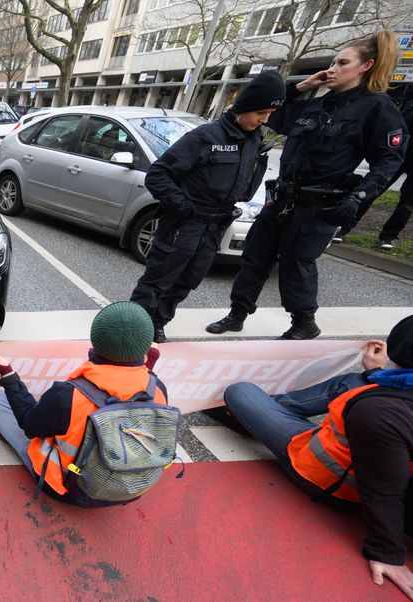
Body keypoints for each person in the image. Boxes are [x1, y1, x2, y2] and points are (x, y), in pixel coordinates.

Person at [207, 31, 407, 340]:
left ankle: (303, 323)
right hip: (284, 197)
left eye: (342, 62)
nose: (332, 68)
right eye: (333, 61)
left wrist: (359, 197)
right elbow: (274, 116)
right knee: (254, 258)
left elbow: (389, 160)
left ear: (366, 66)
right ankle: (237, 314)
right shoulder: (318, 103)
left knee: (296, 264)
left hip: (320, 204)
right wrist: (301, 87)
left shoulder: (377, 108)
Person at [222, 315, 413, 599]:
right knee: (352, 380)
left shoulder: (379, 413)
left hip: (318, 468)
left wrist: (387, 553)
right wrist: (375, 373)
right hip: (365, 447)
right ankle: (276, 409)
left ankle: (259, 413)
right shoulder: (387, 402)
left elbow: (383, 489)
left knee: (240, 392)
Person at [130, 71, 285, 343]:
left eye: (269, 113)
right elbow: (158, 175)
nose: (265, 119)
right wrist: (183, 207)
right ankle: (133, 330)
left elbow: (245, 186)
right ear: (244, 107)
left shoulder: (254, 140)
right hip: (184, 223)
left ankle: (157, 322)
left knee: (188, 280)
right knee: (158, 280)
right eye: (261, 112)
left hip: (215, 226)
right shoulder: (206, 137)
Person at [0, 301, 167, 507]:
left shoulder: (67, 395)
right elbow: (135, 404)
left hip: (67, 488)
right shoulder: (157, 388)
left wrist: (8, 374)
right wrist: (148, 369)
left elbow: (29, 424)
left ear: (95, 342)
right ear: (145, 348)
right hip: (131, 487)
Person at [339, 83, 413, 249]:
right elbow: (402, 122)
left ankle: (388, 236)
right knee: (371, 190)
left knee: (407, 204)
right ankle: (343, 227)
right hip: (400, 153)